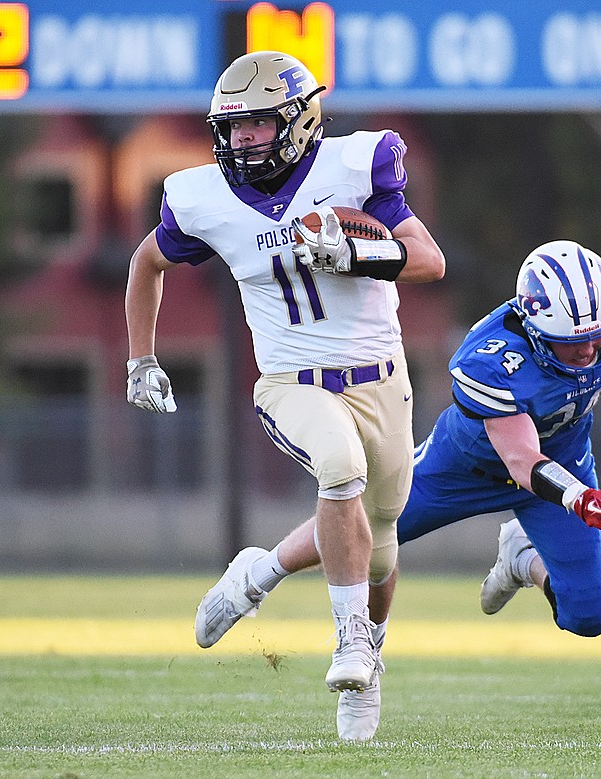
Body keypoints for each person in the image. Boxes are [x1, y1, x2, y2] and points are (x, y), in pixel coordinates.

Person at [194, 239, 601, 738]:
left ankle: (519, 560)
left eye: (596, 340)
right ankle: (258, 575)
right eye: (569, 345)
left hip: (561, 468)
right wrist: (581, 497)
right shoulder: (491, 357)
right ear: (533, 328)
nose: (587, 354)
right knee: (362, 527)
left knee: (591, 616)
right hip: (467, 469)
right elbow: (521, 459)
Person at [123, 50, 445, 741]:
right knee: (339, 469)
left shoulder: (356, 165)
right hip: (290, 382)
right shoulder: (202, 197)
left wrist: (358, 254)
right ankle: (350, 640)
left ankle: (268, 581)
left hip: (382, 380)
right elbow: (146, 261)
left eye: (256, 126)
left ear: (298, 122)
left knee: (383, 543)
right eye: (231, 129)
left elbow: (429, 260)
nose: (241, 142)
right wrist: (139, 358)